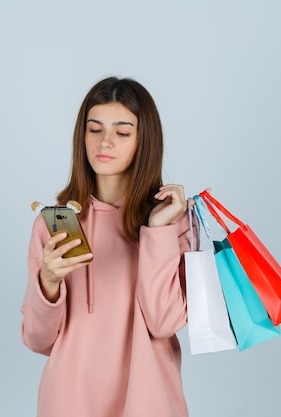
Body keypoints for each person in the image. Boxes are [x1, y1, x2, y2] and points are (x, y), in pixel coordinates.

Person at [21, 76, 194, 417]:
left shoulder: (173, 222)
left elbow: (164, 322)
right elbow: (37, 340)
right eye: (95, 129)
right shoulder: (51, 225)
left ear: (145, 140)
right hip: (67, 405)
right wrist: (49, 283)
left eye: (123, 131)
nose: (106, 142)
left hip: (149, 404)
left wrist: (157, 230)